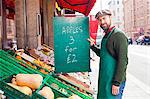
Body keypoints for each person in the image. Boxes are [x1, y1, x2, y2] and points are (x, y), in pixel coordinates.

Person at [88, 9, 128, 99]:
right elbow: (103, 54)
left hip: (113, 81)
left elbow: (123, 61)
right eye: (99, 20)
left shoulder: (118, 35)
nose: (102, 22)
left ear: (110, 18)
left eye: (104, 18)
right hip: (105, 79)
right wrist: (93, 46)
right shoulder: (106, 35)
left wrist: (116, 83)